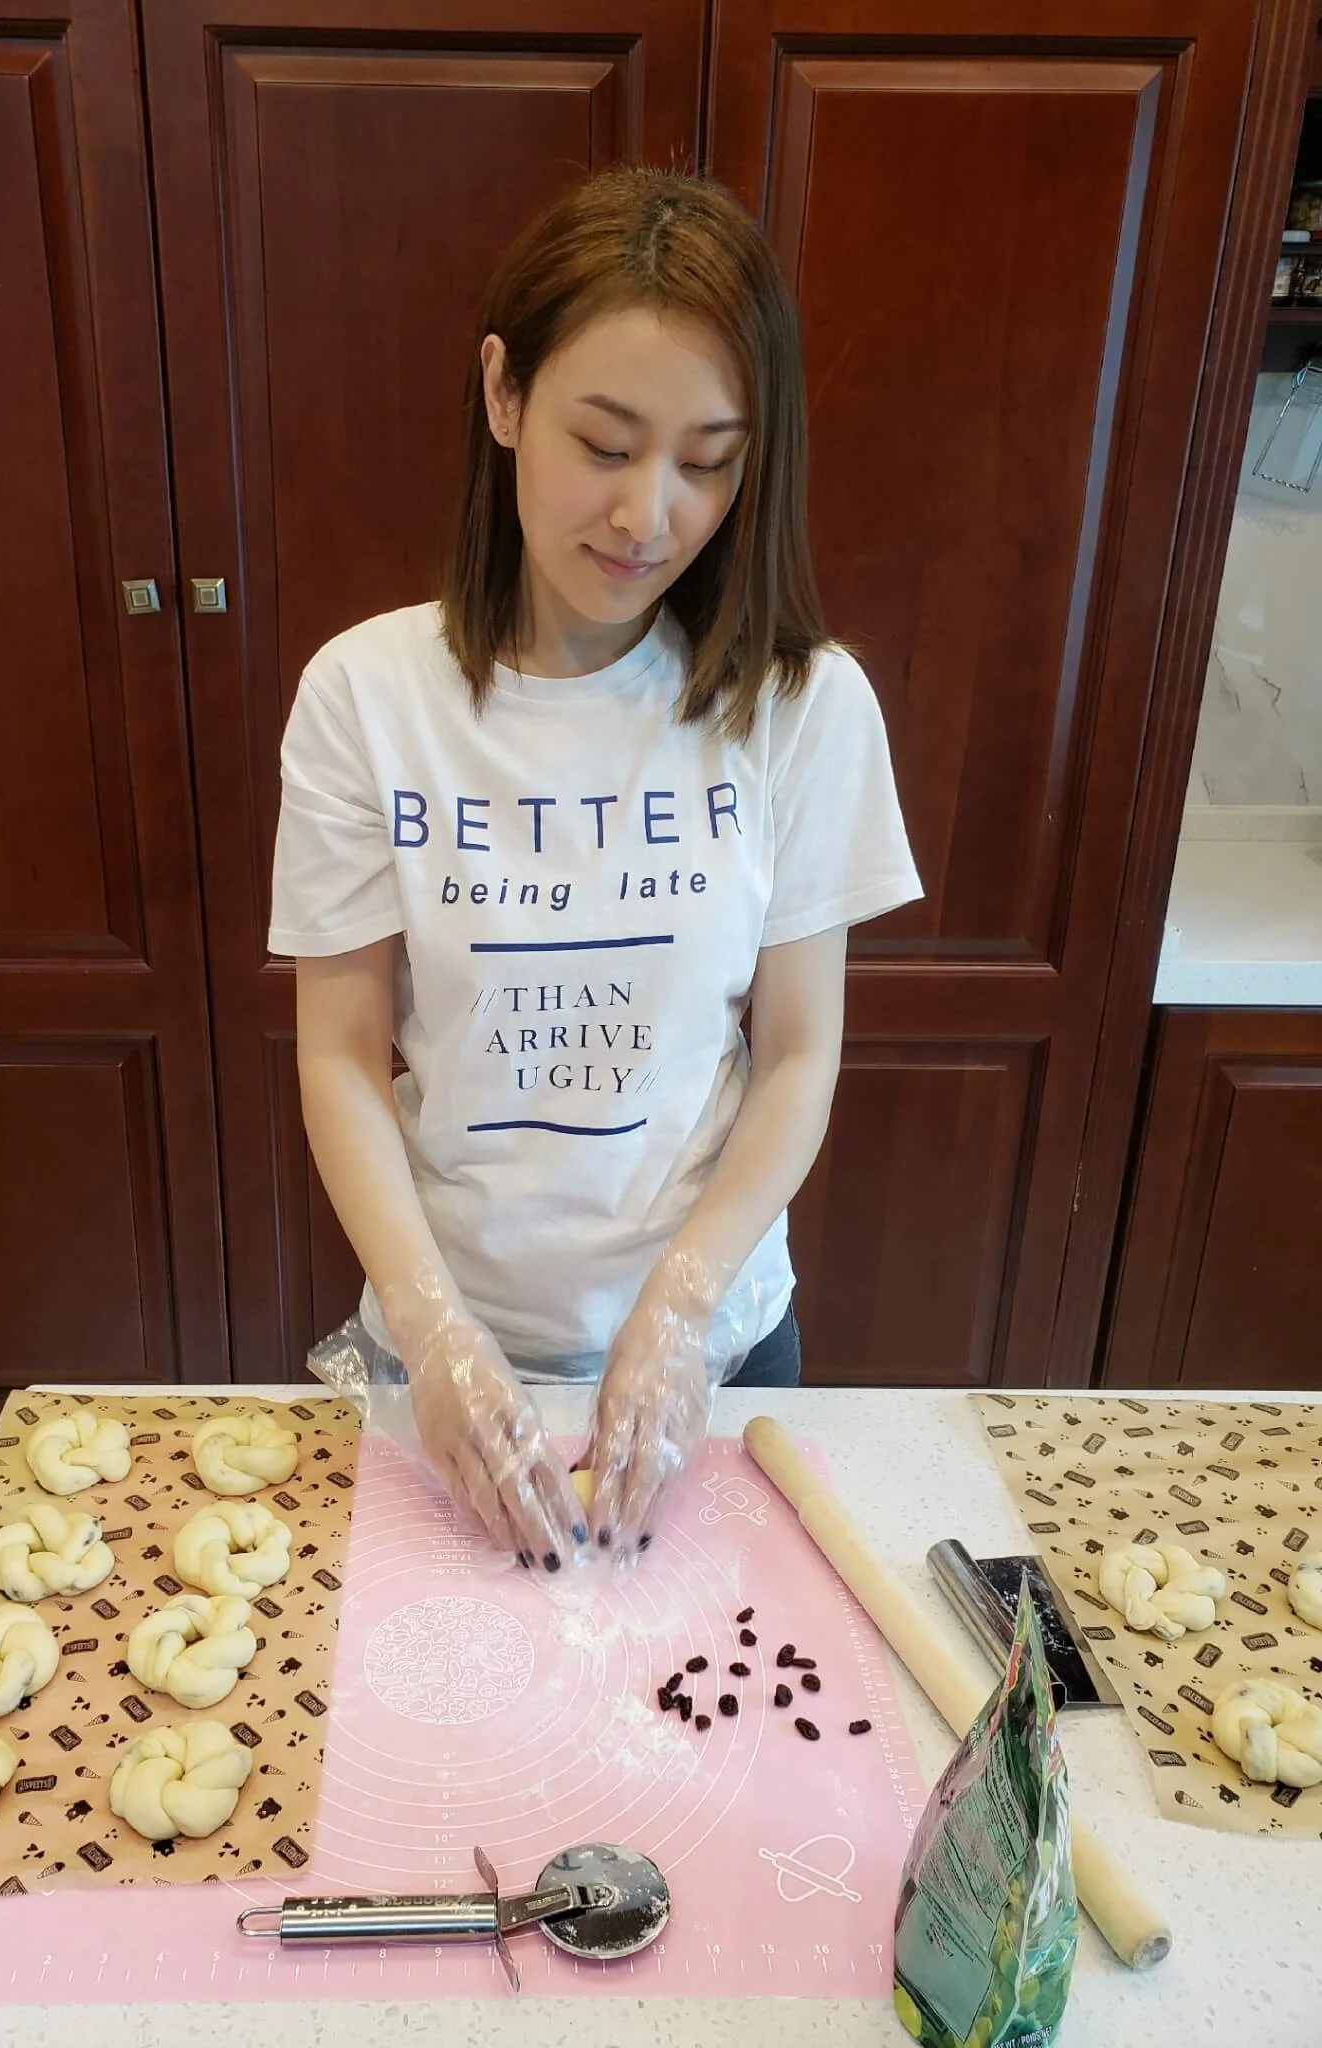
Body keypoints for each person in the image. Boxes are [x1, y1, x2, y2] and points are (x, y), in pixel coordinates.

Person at [269, 167, 920, 1574]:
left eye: (708, 461)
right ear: (504, 394)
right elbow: (340, 1055)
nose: (648, 514)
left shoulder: (803, 708)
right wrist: (435, 1334)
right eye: (606, 443)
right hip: (445, 1349)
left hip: (715, 1354)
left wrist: (679, 1315)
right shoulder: (364, 697)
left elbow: (798, 1055)